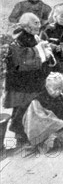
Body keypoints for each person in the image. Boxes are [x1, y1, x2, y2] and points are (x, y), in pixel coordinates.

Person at [4, 13, 54, 142]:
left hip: (31, 80)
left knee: (31, 107)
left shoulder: (33, 36)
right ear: (26, 26)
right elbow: (23, 59)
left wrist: (44, 50)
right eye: (35, 23)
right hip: (21, 82)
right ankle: (19, 134)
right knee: (23, 107)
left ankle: (30, 133)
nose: (39, 26)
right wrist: (40, 51)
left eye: (39, 22)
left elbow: (38, 51)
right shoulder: (18, 39)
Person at [23, 73, 63, 152]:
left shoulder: (61, 96)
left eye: (60, 89)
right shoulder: (37, 101)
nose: (58, 91)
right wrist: (58, 124)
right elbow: (38, 119)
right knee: (54, 141)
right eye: (55, 89)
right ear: (47, 87)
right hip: (48, 130)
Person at [40, 5, 63, 101]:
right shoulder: (48, 28)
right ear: (55, 16)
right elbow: (42, 42)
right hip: (51, 59)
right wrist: (51, 46)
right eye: (61, 16)